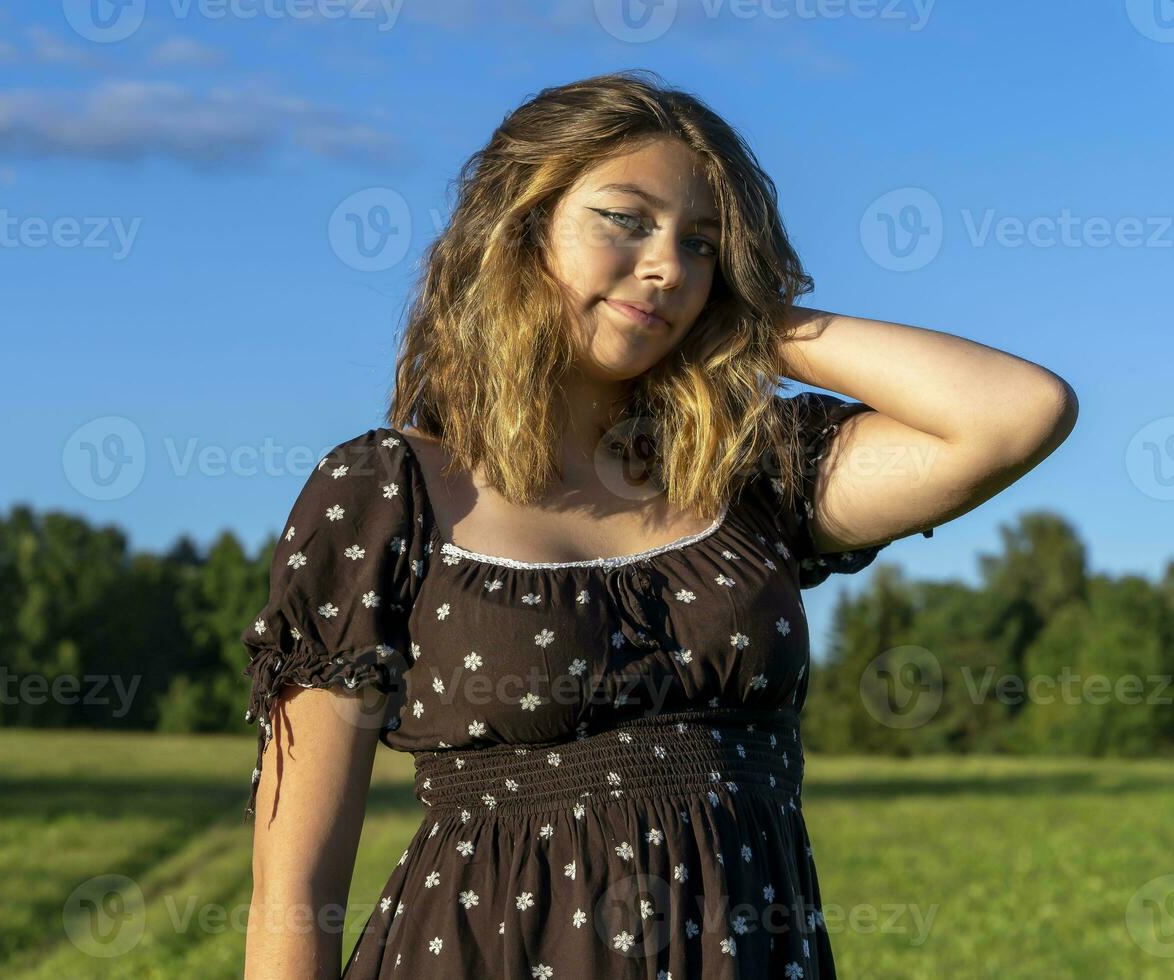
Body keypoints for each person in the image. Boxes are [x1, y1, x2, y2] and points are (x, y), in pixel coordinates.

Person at [240, 69, 1077, 979]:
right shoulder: (386, 490)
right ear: (521, 229)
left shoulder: (749, 473)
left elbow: (1015, 413)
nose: (668, 265)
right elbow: (294, 895)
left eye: (704, 245)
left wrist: (753, 320)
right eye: (625, 219)